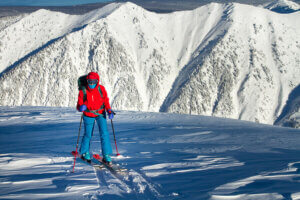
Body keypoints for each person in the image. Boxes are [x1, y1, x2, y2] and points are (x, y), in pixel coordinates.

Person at [76, 72, 114, 165]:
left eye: (94, 81)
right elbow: (79, 105)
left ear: (97, 81)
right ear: (87, 81)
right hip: (88, 114)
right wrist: (81, 107)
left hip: (101, 113)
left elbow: (106, 100)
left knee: (104, 133)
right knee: (88, 134)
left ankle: (106, 155)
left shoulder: (101, 89)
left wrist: (109, 110)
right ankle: (85, 152)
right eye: (89, 81)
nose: (91, 84)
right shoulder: (83, 91)